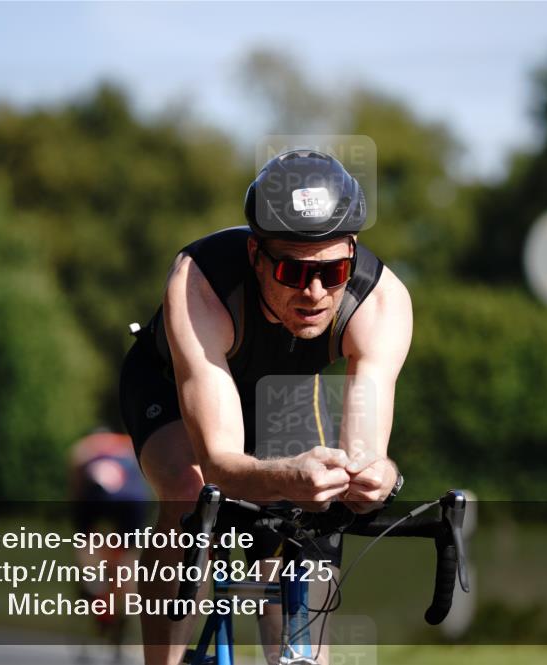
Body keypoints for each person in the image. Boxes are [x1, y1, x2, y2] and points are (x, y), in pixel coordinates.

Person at [119, 150, 411, 665]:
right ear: (256, 255)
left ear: (354, 253)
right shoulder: (200, 284)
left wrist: (376, 478)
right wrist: (283, 477)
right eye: (291, 271)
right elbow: (220, 464)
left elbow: (365, 455)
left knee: (320, 506)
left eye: (334, 270)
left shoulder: (380, 302)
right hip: (173, 387)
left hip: (286, 392)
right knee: (191, 492)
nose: (316, 292)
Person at [69, 428, 151, 660]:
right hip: (133, 497)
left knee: (85, 540)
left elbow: (75, 468)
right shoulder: (129, 442)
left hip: (95, 492)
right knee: (128, 555)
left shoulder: (88, 443)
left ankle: (91, 580)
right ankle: (125, 596)